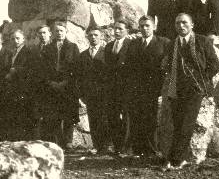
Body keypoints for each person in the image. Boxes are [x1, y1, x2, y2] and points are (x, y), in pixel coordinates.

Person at [161, 13, 219, 171]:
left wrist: (200, 81)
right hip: (176, 90)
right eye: (178, 23)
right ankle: (175, 158)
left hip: (196, 90)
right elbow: (167, 65)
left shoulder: (203, 41)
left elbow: (214, 65)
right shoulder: (172, 44)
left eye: (184, 23)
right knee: (177, 124)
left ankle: (176, 160)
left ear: (192, 24)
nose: (181, 26)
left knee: (186, 124)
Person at [131, 16, 171, 159]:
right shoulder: (134, 44)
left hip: (156, 88)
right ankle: (138, 150)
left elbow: (168, 66)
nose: (144, 28)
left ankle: (152, 150)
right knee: (137, 118)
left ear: (154, 27)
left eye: (147, 25)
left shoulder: (163, 43)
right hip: (137, 89)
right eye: (141, 26)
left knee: (152, 120)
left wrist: (163, 90)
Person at [38, 22, 81, 148]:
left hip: (67, 86)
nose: (59, 33)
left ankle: (68, 142)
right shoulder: (47, 48)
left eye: (61, 30)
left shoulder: (73, 47)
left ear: (66, 32)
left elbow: (76, 67)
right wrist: (51, 82)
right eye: (57, 31)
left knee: (68, 115)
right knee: (54, 115)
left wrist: (66, 81)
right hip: (52, 86)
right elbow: (43, 69)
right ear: (53, 33)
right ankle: (57, 141)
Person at [103, 20, 136, 156]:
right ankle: (117, 146)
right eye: (115, 29)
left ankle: (126, 148)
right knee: (113, 116)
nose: (116, 31)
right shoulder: (109, 46)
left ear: (127, 30)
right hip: (112, 88)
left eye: (120, 29)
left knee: (127, 117)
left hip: (127, 87)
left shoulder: (132, 45)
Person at [73, 28, 109, 153]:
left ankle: (105, 146)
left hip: (104, 93)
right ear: (87, 37)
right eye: (91, 35)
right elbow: (79, 76)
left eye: (96, 35)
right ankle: (97, 145)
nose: (93, 37)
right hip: (89, 93)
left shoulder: (106, 53)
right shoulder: (83, 55)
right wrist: (81, 94)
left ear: (101, 36)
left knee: (104, 118)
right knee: (93, 119)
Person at [4, 29, 40, 140]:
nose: (15, 41)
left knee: (26, 116)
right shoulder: (11, 52)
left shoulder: (29, 51)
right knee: (16, 116)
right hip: (13, 89)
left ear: (23, 39)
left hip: (25, 89)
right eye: (13, 39)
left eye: (18, 38)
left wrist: (16, 70)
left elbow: (33, 69)